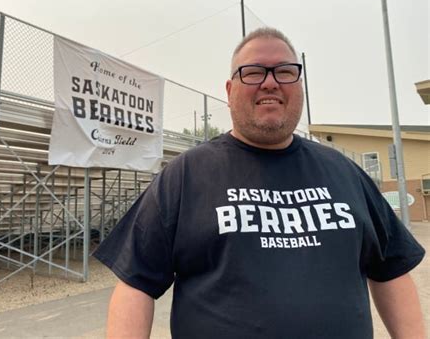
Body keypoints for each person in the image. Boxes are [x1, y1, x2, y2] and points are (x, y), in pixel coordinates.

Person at [94, 27, 426, 339]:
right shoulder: (185, 175)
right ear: (229, 90)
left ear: (299, 87)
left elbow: (391, 269)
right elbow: (136, 286)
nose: (270, 83)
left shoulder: (344, 172)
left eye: (284, 72)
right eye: (253, 72)